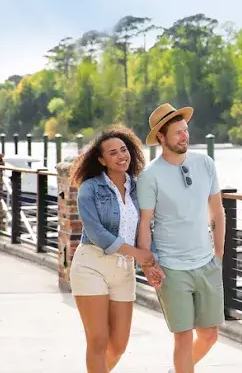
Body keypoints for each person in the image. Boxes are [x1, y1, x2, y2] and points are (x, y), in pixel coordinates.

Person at [136, 103, 225, 373]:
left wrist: (218, 256)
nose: (184, 136)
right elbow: (144, 224)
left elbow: (217, 212)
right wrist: (149, 265)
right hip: (172, 268)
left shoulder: (205, 164)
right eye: (177, 133)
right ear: (161, 138)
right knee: (183, 336)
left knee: (210, 335)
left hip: (207, 263)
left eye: (185, 131)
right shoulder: (149, 176)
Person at [69, 126, 159, 373]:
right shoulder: (90, 188)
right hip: (92, 265)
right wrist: (138, 254)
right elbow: (97, 234)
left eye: (124, 150)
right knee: (97, 340)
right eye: (112, 153)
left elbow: (145, 227)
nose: (121, 156)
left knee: (118, 344)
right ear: (101, 160)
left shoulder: (138, 188)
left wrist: (151, 262)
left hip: (124, 271)